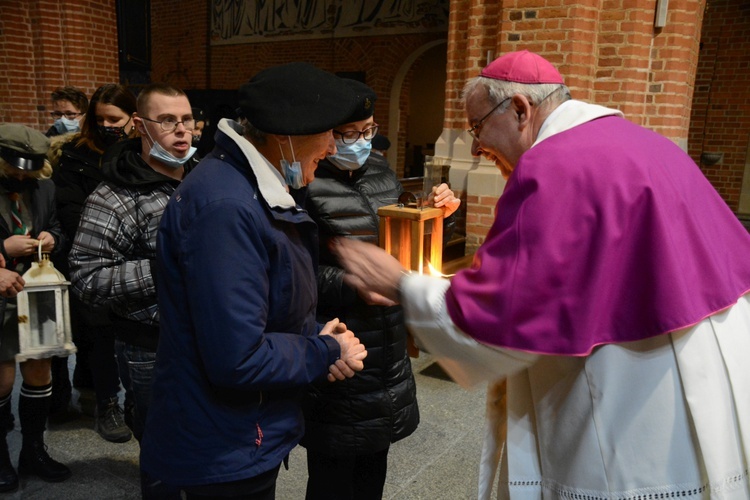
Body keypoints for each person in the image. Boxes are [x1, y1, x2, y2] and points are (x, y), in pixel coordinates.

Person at [331, 50, 750, 499]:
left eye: (476, 128)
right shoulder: (646, 143)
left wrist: (400, 283)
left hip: (630, 400)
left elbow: (499, 318)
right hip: (706, 373)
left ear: (519, 109)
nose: (474, 147)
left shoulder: (555, 165)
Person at [140, 62, 368, 499]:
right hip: (217, 449)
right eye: (330, 133)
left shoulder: (251, 188)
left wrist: (314, 335)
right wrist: (324, 350)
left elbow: (263, 304)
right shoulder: (227, 206)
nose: (332, 147)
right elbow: (237, 357)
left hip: (242, 433)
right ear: (288, 134)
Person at [298, 79, 459, 500]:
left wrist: (439, 213)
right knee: (333, 478)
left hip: (386, 347)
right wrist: (352, 284)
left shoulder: (381, 172)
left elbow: (402, 236)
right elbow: (292, 272)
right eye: (348, 134)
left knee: (372, 473)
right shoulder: (304, 184)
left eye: (368, 130)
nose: (359, 143)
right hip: (341, 347)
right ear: (326, 135)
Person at [68, 83, 198, 497]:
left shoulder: (204, 182)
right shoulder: (114, 198)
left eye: (188, 120)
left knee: (204, 450)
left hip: (210, 339)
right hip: (151, 347)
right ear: (140, 126)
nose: (182, 131)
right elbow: (87, 279)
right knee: (163, 456)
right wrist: (161, 270)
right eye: (168, 121)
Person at [51, 83, 138, 443]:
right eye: (99, 119)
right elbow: (70, 209)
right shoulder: (74, 155)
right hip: (89, 252)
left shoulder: (141, 152)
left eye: (114, 119)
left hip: (133, 253)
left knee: (128, 332)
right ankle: (107, 403)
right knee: (98, 331)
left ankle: (117, 395)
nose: (106, 125)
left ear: (133, 119)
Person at [0, 124, 71, 491]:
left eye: (29, 168)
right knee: (3, 376)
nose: (22, 175)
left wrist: (50, 237)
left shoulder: (43, 186)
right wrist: (2, 254)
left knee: (40, 368)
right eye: (14, 168)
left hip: (36, 291)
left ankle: (33, 450)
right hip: (1, 296)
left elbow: (56, 226)